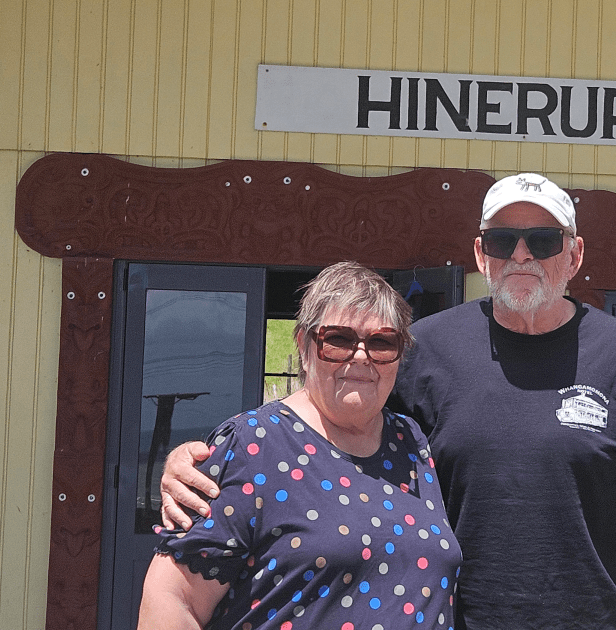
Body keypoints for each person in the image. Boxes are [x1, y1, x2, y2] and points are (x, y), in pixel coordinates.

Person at [161, 174, 616, 630]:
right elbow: (337, 419)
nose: (523, 253)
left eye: (543, 239)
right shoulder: (426, 348)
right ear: (480, 255)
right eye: (504, 239)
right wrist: (212, 455)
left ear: (574, 254)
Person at [140, 262, 461, 630]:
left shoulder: (412, 441)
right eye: (338, 339)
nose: (360, 356)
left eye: (381, 342)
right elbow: (173, 598)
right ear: (304, 344)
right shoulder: (252, 447)